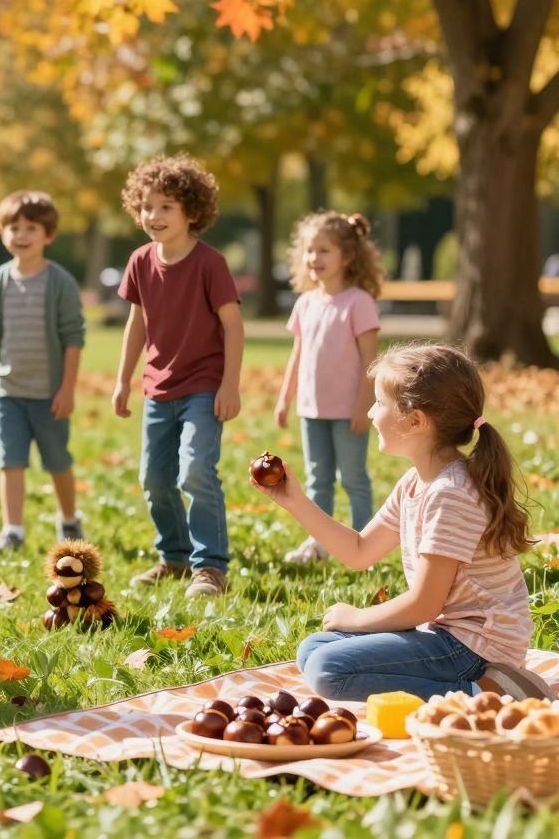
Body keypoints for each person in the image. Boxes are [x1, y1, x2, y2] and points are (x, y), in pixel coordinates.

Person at [256, 343, 553, 701]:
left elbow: (424, 605)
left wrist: (357, 617)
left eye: (379, 403)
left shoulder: (451, 494)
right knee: (314, 648)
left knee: (327, 668)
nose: (370, 412)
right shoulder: (415, 482)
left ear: (415, 421)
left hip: (478, 649)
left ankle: (488, 691)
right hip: (446, 635)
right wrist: (295, 501)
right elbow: (359, 552)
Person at [113, 155, 244, 599]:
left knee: (196, 471)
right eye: (147, 206)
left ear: (191, 211)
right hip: (157, 389)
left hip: (204, 386)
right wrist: (122, 380)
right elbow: (137, 324)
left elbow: (233, 326)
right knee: (154, 479)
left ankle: (210, 567)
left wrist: (229, 385)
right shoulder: (139, 261)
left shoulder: (210, 263)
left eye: (166, 206)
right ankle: (173, 557)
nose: (154, 215)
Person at [0, 190, 87, 552]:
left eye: (31, 228)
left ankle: (69, 520)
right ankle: (13, 531)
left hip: (49, 394)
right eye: (14, 228)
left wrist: (67, 390)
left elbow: (73, 338)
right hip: (8, 391)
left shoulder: (60, 282)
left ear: (48, 235)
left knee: (57, 461)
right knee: (10, 461)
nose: (21, 235)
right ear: (3, 233)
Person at [275, 212, 384, 563]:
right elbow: (298, 355)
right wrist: (285, 398)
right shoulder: (305, 302)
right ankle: (318, 544)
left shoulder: (359, 303)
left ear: (347, 256)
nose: (314, 258)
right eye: (310, 250)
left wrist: (364, 405)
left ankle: (364, 544)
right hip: (312, 410)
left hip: (348, 410)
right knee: (317, 480)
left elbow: (371, 360)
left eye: (324, 250)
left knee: (353, 478)